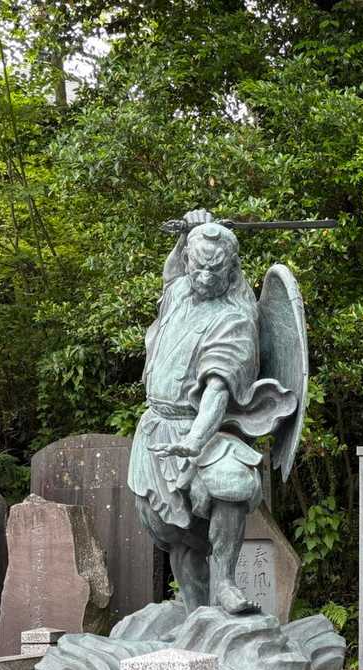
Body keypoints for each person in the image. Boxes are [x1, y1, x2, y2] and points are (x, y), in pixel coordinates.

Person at [128, 208, 294, 614]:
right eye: (198, 267)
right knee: (176, 532)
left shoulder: (233, 319)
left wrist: (195, 440)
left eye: (215, 271)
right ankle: (194, 613)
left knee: (232, 482)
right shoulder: (180, 293)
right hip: (156, 429)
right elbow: (171, 275)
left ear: (231, 269)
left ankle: (225, 582)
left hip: (200, 427)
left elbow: (217, 391)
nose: (204, 278)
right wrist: (188, 230)